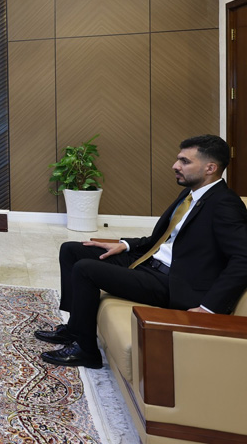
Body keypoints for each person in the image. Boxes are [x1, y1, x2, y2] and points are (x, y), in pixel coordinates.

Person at [37, 134, 247, 368]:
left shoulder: (225, 204)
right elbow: (162, 239)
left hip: (173, 283)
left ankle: (86, 351)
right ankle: (73, 329)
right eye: (178, 159)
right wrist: (124, 245)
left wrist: (209, 307)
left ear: (210, 168)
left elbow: (243, 257)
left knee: (85, 269)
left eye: (185, 161)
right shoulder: (190, 194)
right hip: (149, 264)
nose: (175, 166)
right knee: (72, 250)